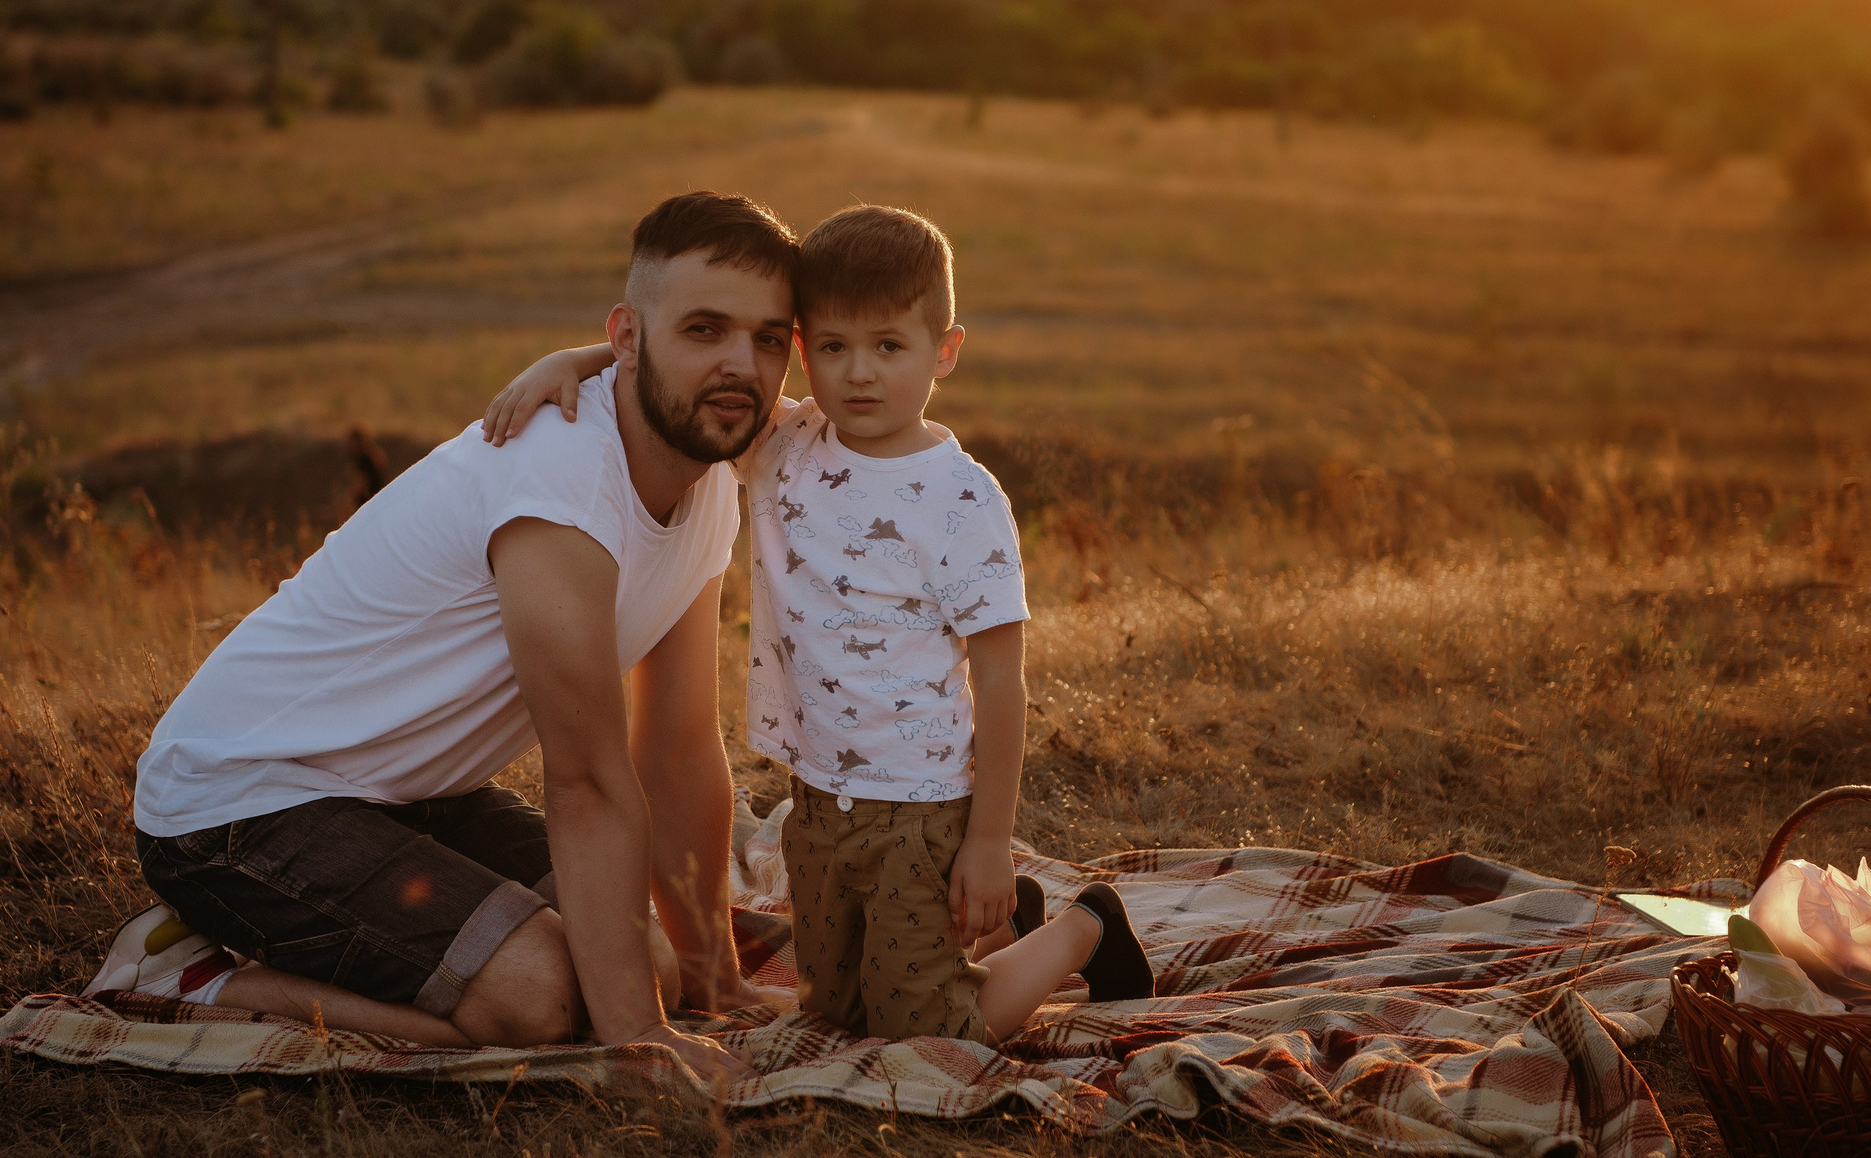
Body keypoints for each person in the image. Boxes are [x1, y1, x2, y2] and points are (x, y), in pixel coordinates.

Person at [108, 191, 805, 1086]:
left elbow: (674, 749)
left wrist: (716, 978)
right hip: (240, 803)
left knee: (654, 969)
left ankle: (650, 982)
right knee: (549, 998)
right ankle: (200, 976)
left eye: (768, 338)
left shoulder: (704, 478)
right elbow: (589, 782)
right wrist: (643, 1042)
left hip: (403, 794)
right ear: (627, 334)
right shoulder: (560, 482)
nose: (740, 365)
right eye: (704, 328)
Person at [485, 205, 1151, 1046]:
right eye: (834, 347)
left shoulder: (965, 500)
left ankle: (1085, 926)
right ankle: (992, 923)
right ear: (804, 352)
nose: (860, 374)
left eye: (889, 346)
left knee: (925, 1029)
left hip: (921, 800)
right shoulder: (787, 442)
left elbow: (1000, 684)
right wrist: (574, 358)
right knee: (831, 1011)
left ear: (944, 351)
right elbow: (674, 378)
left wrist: (987, 842)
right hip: (819, 798)